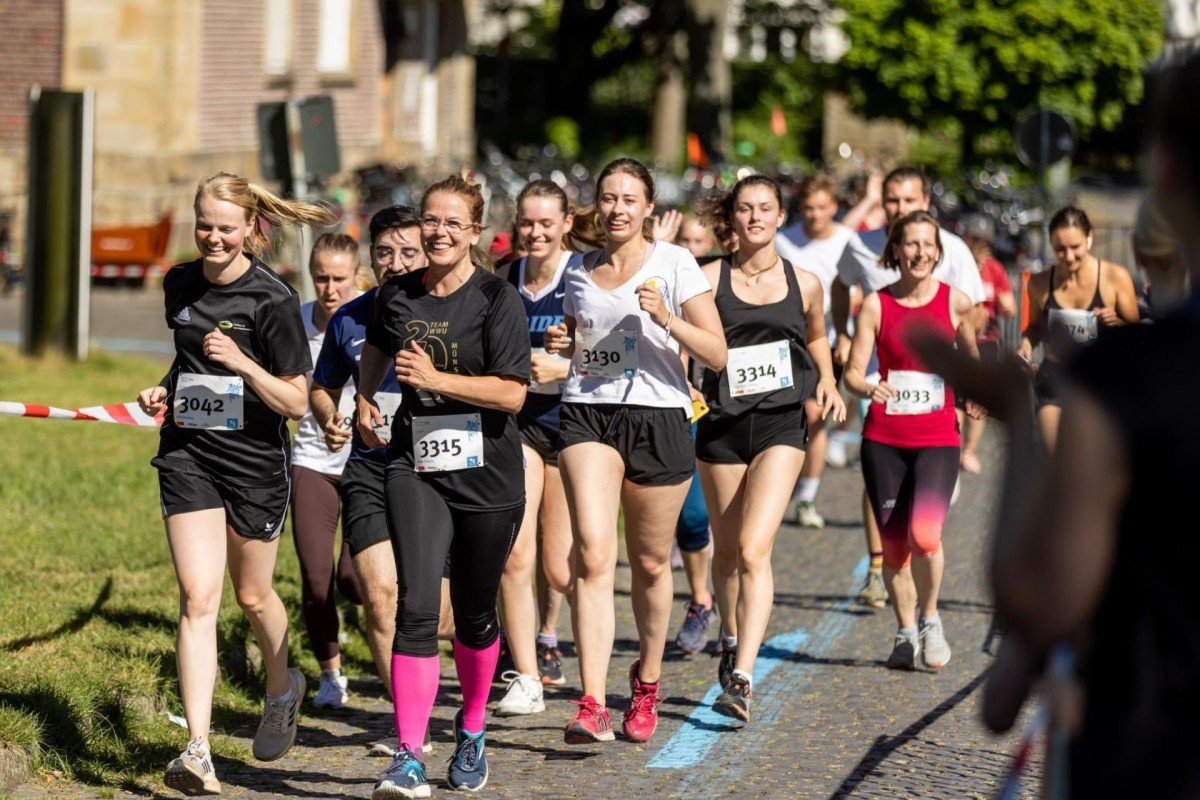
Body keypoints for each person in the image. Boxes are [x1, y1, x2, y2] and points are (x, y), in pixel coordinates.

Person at [911, 55, 1200, 797]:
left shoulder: (1138, 370)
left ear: (1164, 171)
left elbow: (1039, 595)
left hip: (1153, 741)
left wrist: (1011, 413)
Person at [137, 172, 336, 796]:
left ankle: (283, 687)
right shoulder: (180, 282)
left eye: (227, 228)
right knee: (198, 598)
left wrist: (244, 363)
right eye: (205, 226)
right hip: (189, 454)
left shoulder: (271, 299)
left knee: (251, 596)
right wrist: (163, 390)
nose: (213, 238)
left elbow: (296, 403)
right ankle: (197, 749)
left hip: (254, 463)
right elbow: (187, 358)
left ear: (252, 228)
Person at [356, 175, 530, 797]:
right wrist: (365, 397)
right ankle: (407, 755)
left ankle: (474, 726)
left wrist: (436, 378)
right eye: (431, 220)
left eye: (453, 223)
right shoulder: (396, 294)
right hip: (416, 464)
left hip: (488, 476)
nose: (439, 232)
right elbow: (377, 347)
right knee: (418, 608)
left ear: (474, 233)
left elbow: (512, 392)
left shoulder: (495, 299)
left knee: (477, 616)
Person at [544, 157, 727, 744]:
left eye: (629, 199)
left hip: (659, 417)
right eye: (608, 197)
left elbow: (717, 353)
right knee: (594, 556)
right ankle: (592, 701)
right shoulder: (576, 267)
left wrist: (667, 318)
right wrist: (564, 341)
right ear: (597, 205)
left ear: (648, 208)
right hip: (587, 414)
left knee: (649, 563)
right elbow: (583, 342)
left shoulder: (674, 263)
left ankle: (646, 682)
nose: (618, 208)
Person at [694, 174, 846, 720]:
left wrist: (826, 378)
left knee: (756, 549)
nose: (755, 217)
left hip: (781, 423)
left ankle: (742, 677)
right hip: (721, 425)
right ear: (731, 219)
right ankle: (730, 633)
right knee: (728, 550)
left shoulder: (805, 282)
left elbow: (815, 335)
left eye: (765, 209)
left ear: (782, 217)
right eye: (745, 209)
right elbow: (693, 346)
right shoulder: (707, 278)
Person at [311, 206, 446, 756]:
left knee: (438, 613)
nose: (395, 263)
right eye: (384, 253)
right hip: (369, 467)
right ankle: (410, 727)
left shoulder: (449, 312)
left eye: (407, 253)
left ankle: (441, 690)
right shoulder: (351, 317)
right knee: (380, 596)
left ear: (426, 254)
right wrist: (330, 418)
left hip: (440, 465)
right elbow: (322, 386)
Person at [831, 166, 987, 610]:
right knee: (880, 479)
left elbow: (970, 319)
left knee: (926, 511)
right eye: (892, 201)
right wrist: (845, 332)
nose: (899, 209)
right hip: (880, 380)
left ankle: (922, 550)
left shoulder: (951, 251)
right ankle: (879, 566)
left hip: (937, 390)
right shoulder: (862, 245)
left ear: (925, 202)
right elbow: (841, 285)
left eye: (908, 201)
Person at [493, 180, 581, 714]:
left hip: (574, 425)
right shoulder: (505, 280)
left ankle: (549, 629)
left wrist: (569, 362)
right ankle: (526, 670)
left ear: (567, 223)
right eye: (527, 223)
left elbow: (625, 351)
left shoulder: (586, 275)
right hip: (520, 424)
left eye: (547, 223)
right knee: (516, 553)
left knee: (558, 568)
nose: (536, 232)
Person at [288, 233, 365, 711]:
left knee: (353, 579)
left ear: (357, 276)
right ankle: (331, 675)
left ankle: (394, 634)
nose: (330, 288)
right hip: (312, 460)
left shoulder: (370, 318)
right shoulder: (296, 323)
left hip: (364, 463)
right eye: (321, 277)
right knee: (315, 580)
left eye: (339, 278)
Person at [1019, 206, 1140, 451]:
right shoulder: (1041, 283)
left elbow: (1137, 333)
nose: (1069, 256)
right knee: (1053, 454)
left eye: (1076, 247)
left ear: (1089, 239)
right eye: (1060, 249)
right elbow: (1034, 327)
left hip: (1100, 381)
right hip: (1055, 376)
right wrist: (1025, 345)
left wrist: (1116, 322)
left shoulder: (1114, 277)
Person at [774, 174, 857, 529]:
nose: (815, 214)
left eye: (822, 207)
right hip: (787, 340)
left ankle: (805, 496)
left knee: (815, 417)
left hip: (829, 340)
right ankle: (784, 483)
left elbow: (861, 287)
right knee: (789, 416)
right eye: (808, 207)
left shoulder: (847, 241)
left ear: (833, 208)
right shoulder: (784, 241)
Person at [958, 214, 1016, 474]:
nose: (980, 247)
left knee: (980, 400)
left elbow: (1011, 308)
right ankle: (953, 446)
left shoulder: (995, 269)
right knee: (957, 398)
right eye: (975, 241)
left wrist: (1004, 304)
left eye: (984, 243)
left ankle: (969, 450)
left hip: (987, 341)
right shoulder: (956, 265)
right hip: (959, 340)